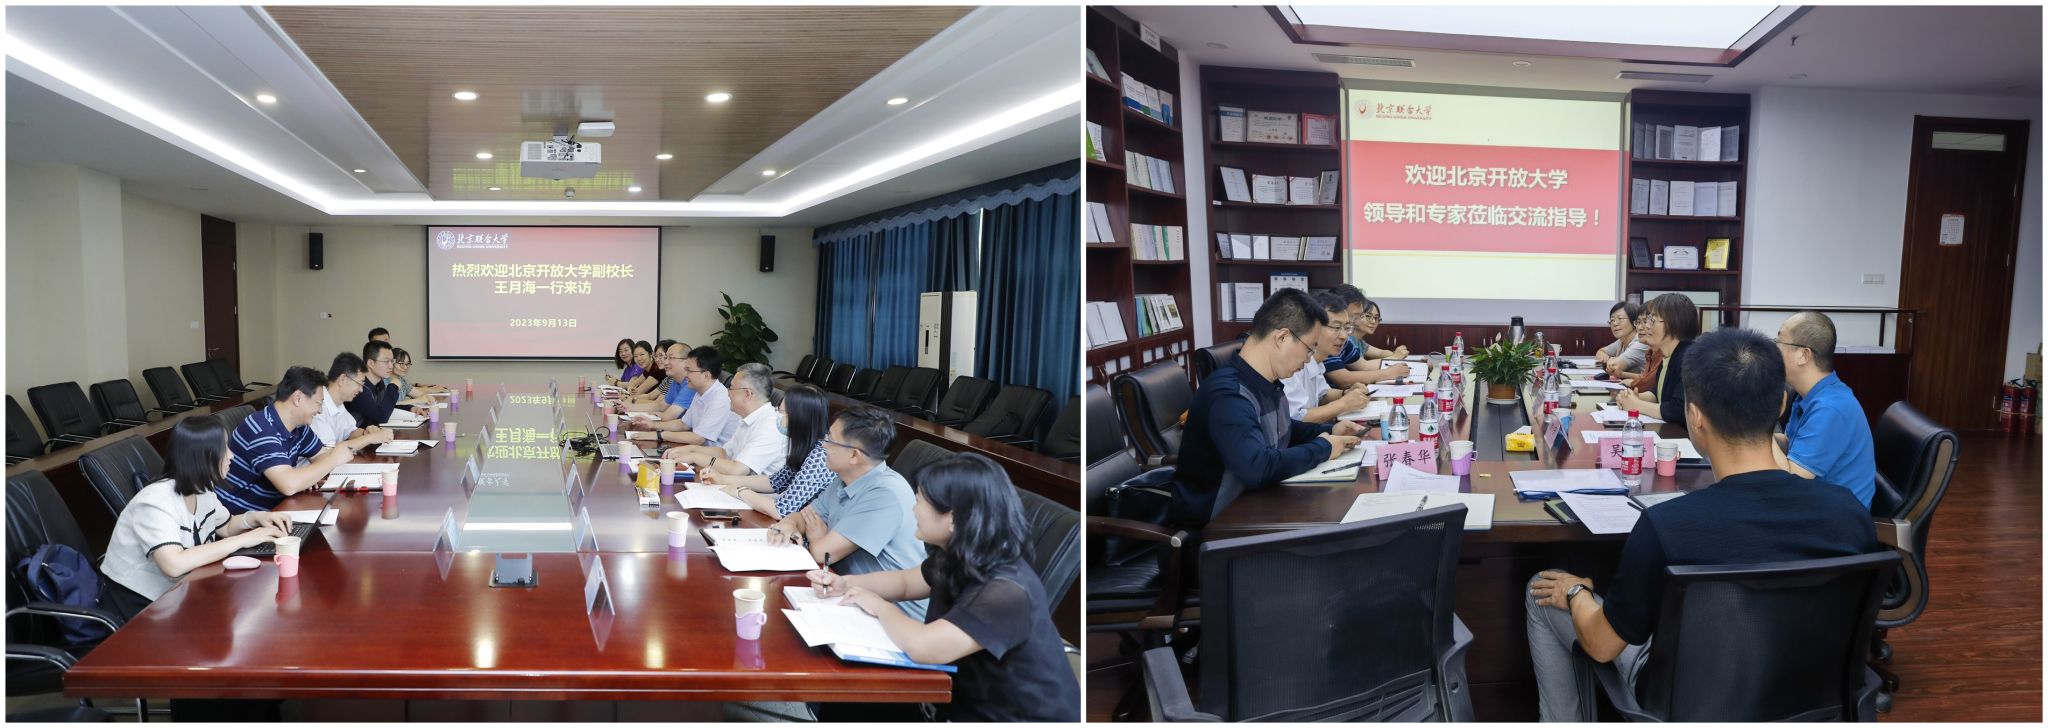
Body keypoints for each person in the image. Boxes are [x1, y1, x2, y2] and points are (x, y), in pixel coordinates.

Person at [1523, 328, 1880, 721]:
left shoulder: (1666, 525)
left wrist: (1576, 592)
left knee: (1542, 588)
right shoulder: (1850, 514)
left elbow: (1602, 646)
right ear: (1781, 404)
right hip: (1809, 698)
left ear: (1695, 417)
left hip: (1690, 702)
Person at [806, 453, 1080, 722]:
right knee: (847, 701)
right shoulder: (960, 553)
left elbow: (923, 647)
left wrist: (878, 606)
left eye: (920, 502)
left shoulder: (1006, 591)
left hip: (1006, 717)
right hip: (949, 696)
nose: (914, 509)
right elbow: (905, 583)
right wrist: (845, 583)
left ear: (953, 518)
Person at [1174, 289, 1365, 526]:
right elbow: (1257, 467)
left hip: (1259, 506)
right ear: (1282, 338)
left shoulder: (1265, 382)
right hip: (1217, 526)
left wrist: (1328, 431)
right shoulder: (1228, 394)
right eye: (1309, 349)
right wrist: (1323, 448)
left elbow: (1281, 428)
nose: (1308, 359)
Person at [99, 416, 297, 620]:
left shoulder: (201, 489)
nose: (231, 456)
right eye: (224, 448)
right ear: (202, 455)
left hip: (179, 592)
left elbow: (226, 526)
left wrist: (256, 518)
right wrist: (244, 539)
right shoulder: (154, 502)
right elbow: (174, 564)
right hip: (140, 607)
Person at [767, 405, 928, 620]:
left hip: (891, 614)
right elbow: (805, 517)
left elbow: (822, 554)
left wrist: (817, 538)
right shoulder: (845, 478)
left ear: (854, 455)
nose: (823, 445)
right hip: (844, 590)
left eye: (830, 440)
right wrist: (788, 524)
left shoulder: (885, 494)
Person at [1773, 311, 1878, 508]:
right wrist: (1748, 434)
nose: (1774, 350)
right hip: (1820, 505)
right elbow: (1790, 443)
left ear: (1804, 355)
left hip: (1839, 519)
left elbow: (1792, 481)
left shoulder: (1830, 408)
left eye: (1779, 342)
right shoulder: (1811, 395)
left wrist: (1758, 426)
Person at [217, 366, 356, 513]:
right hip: (241, 517)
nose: (320, 410)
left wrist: (306, 478)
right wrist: (332, 460)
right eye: (319, 403)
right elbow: (289, 485)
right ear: (298, 398)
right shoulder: (261, 429)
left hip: (275, 509)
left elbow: (320, 456)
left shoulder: (299, 426)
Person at [702, 384, 835, 519]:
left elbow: (782, 510)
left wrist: (740, 491)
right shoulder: (804, 445)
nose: (778, 418)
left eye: (782, 413)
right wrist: (723, 479)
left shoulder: (821, 456)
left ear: (800, 418)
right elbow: (775, 482)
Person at [669, 363, 790, 478]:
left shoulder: (770, 426)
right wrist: (690, 449)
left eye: (731, 388)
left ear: (747, 394)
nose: (727, 393)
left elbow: (737, 470)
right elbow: (725, 453)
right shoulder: (749, 418)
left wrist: (694, 457)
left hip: (750, 491)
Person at [1281, 291, 1371, 423]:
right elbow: (1297, 418)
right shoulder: (1291, 364)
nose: (1344, 336)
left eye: (1347, 328)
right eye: (1336, 327)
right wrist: (1344, 404)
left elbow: (1323, 394)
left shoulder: (1317, 360)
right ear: (1312, 327)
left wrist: (1346, 393)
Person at [624, 346, 738, 448]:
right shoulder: (699, 392)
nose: (686, 374)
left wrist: (659, 435)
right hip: (697, 450)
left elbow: (698, 438)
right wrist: (652, 424)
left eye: (689, 370)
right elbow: (684, 424)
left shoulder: (720, 398)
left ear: (706, 375)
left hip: (714, 456)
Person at [1614, 293, 1699, 426]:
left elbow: (1679, 409)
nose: (1646, 326)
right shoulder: (1668, 356)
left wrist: (1637, 405)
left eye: (1652, 320)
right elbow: (1660, 393)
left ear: (1674, 323)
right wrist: (1636, 397)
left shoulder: (1690, 359)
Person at [1324, 291, 1411, 388]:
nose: (1373, 321)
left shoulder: (1346, 341)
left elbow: (1365, 365)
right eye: (1367, 316)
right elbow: (1343, 380)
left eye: (1360, 316)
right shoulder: (1331, 342)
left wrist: (1395, 358)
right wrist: (1389, 370)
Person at [308, 352, 393, 451]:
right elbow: (328, 451)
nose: (361, 390)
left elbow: (351, 432)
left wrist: (366, 432)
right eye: (359, 383)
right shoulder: (317, 407)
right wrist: (370, 438)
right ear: (343, 379)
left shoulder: (338, 403)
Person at [345, 340, 419, 427]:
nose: (391, 366)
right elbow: (381, 416)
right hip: (356, 433)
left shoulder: (379, 383)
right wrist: (392, 387)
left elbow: (383, 407)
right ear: (371, 363)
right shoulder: (359, 387)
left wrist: (410, 408)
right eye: (386, 361)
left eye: (392, 361)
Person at [623, 341, 696, 416]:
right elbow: (659, 405)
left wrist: (631, 401)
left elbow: (668, 414)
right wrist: (627, 406)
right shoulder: (675, 381)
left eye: (670, 358)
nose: (665, 362)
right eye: (635, 356)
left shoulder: (690, 384)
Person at [1596, 301, 1650, 375]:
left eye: (1620, 318)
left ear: (1634, 322)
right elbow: (1601, 351)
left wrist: (1611, 361)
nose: (1615, 323)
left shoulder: (1641, 342)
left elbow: (1614, 366)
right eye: (1612, 320)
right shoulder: (1621, 341)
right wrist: (1605, 358)